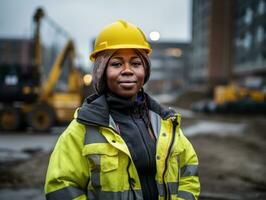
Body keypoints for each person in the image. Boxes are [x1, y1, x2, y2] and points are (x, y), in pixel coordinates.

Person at [44, 20, 200, 200]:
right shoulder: (82, 129)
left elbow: (189, 170)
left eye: (135, 63)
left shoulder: (165, 122)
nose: (127, 71)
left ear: (145, 70)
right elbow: (61, 187)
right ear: (101, 72)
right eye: (117, 64)